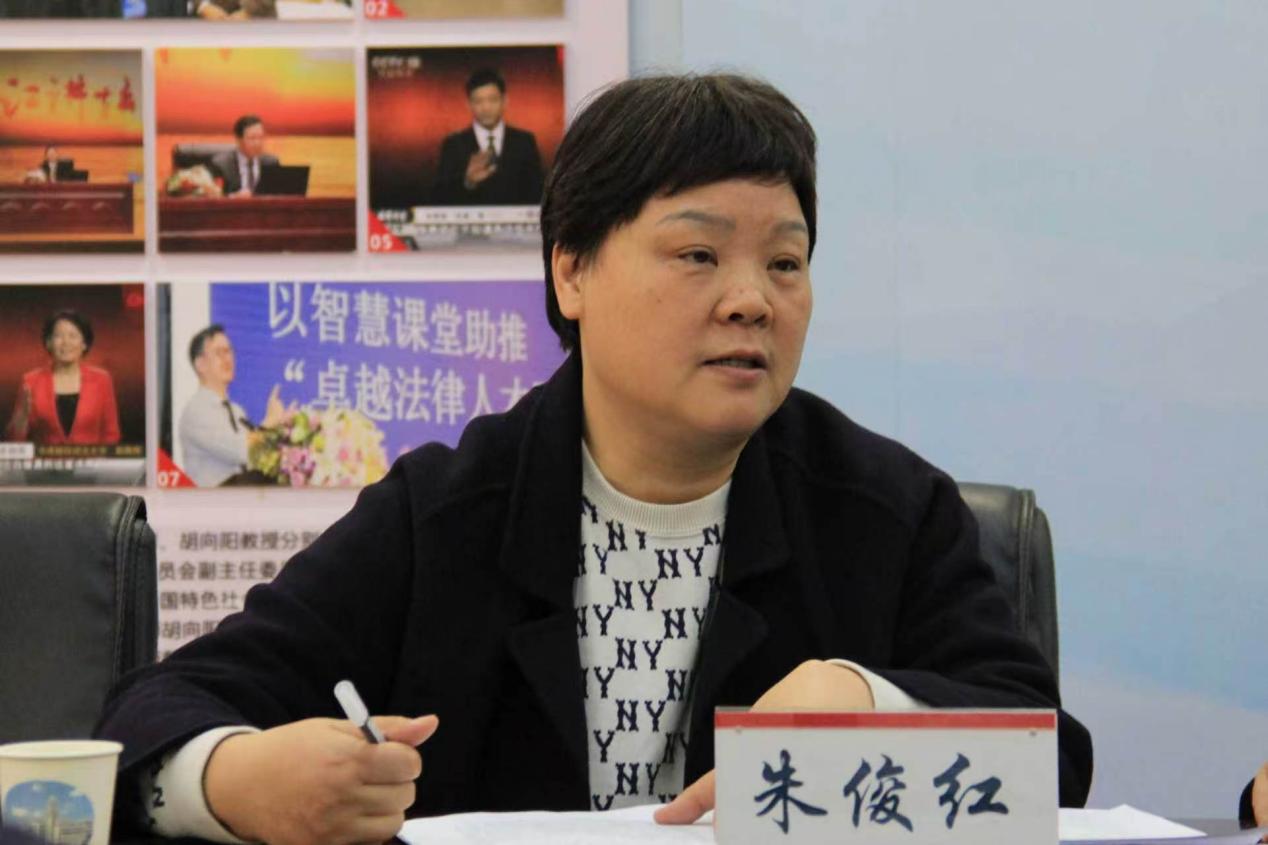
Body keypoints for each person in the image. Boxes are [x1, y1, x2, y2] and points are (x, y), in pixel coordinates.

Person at [97, 73, 1092, 844]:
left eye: (785, 262)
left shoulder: (884, 508)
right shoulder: (446, 512)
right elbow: (155, 710)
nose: (752, 299)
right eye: (698, 255)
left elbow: (1053, 759)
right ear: (571, 271)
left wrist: (869, 699)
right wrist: (232, 779)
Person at [178, 324, 287, 487]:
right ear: (200, 364)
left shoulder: (237, 411)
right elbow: (242, 451)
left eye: (229, 351)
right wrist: (270, 421)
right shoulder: (196, 411)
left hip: (242, 496)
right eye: (219, 353)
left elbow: (256, 458)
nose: (227, 359)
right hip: (213, 500)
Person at [430, 67, 545, 206]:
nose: (486, 108)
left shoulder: (525, 141)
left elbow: (539, 193)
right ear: (468, 104)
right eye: (478, 101)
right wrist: (468, 182)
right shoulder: (453, 145)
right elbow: (439, 198)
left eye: (493, 100)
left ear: (505, 101)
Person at [5, 310, 120, 446]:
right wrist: (21, 418)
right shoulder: (31, 381)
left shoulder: (102, 380)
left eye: (73, 336)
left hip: (92, 459)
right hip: (45, 459)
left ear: (84, 344)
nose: (66, 342)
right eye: (58, 336)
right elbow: (14, 440)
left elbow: (111, 434)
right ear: (48, 343)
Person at [209, 115, 280, 197]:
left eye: (261, 137)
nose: (258, 143)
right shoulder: (221, 165)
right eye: (252, 138)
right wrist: (234, 197)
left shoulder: (271, 163)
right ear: (238, 140)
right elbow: (215, 197)